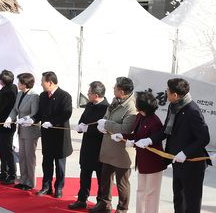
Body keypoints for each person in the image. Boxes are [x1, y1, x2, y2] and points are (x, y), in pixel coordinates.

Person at [135, 78, 210, 213]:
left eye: (167, 92)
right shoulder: (173, 106)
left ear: (175, 95)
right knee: (178, 199)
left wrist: (185, 153)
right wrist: (149, 140)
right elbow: (166, 130)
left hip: (192, 164)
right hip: (177, 161)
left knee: (191, 202)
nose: (166, 94)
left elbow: (204, 138)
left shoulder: (192, 111)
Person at [111, 91, 166, 213]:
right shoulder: (140, 117)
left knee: (151, 193)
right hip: (142, 161)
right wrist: (122, 136)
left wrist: (135, 143)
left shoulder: (155, 121)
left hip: (153, 162)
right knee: (141, 191)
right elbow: (136, 135)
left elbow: (151, 142)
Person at [89, 77, 137, 213]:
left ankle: (122, 208)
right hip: (109, 147)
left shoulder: (131, 107)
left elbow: (126, 129)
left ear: (121, 91)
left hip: (122, 151)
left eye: (115, 87)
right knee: (105, 178)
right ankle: (105, 204)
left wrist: (107, 124)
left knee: (122, 183)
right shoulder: (116, 100)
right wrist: (102, 124)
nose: (113, 89)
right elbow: (107, 116)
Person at [68, 81, 109, 210]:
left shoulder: (106, 108)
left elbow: (105, 129)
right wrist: (80, 126)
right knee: (84, 174)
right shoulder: (90, 105)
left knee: (101, 177)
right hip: (87, 146)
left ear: (96, 95)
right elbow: (83, 119)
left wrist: (88, 129)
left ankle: (100, 202)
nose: (87, 94)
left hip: (99, 147)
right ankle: (82, 199)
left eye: (89, 92)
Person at [33, 71, 73, 198]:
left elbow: (66, 114)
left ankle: (59, 188)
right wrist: (32, 119)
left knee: (60, 164)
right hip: (47, 135)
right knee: (47, 162)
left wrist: (52, 122)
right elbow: (40, 113)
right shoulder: (43, 96)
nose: (41, 84)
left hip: (59, 135)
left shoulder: (65, 96)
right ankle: (46, 186)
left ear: (50, 82)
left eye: (42, 81)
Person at [3, 72, 40, 190]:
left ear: (25, 84)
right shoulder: (20, 94)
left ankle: (30, 182)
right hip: (21, 129)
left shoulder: (34, 96)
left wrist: (24, 119)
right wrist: (10, 118)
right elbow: (15, 109)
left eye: (20, 82)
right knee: (22, 156)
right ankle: (23, 179)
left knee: (30, 157)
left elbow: (34, 114)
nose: (18, 84)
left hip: (30, 130)